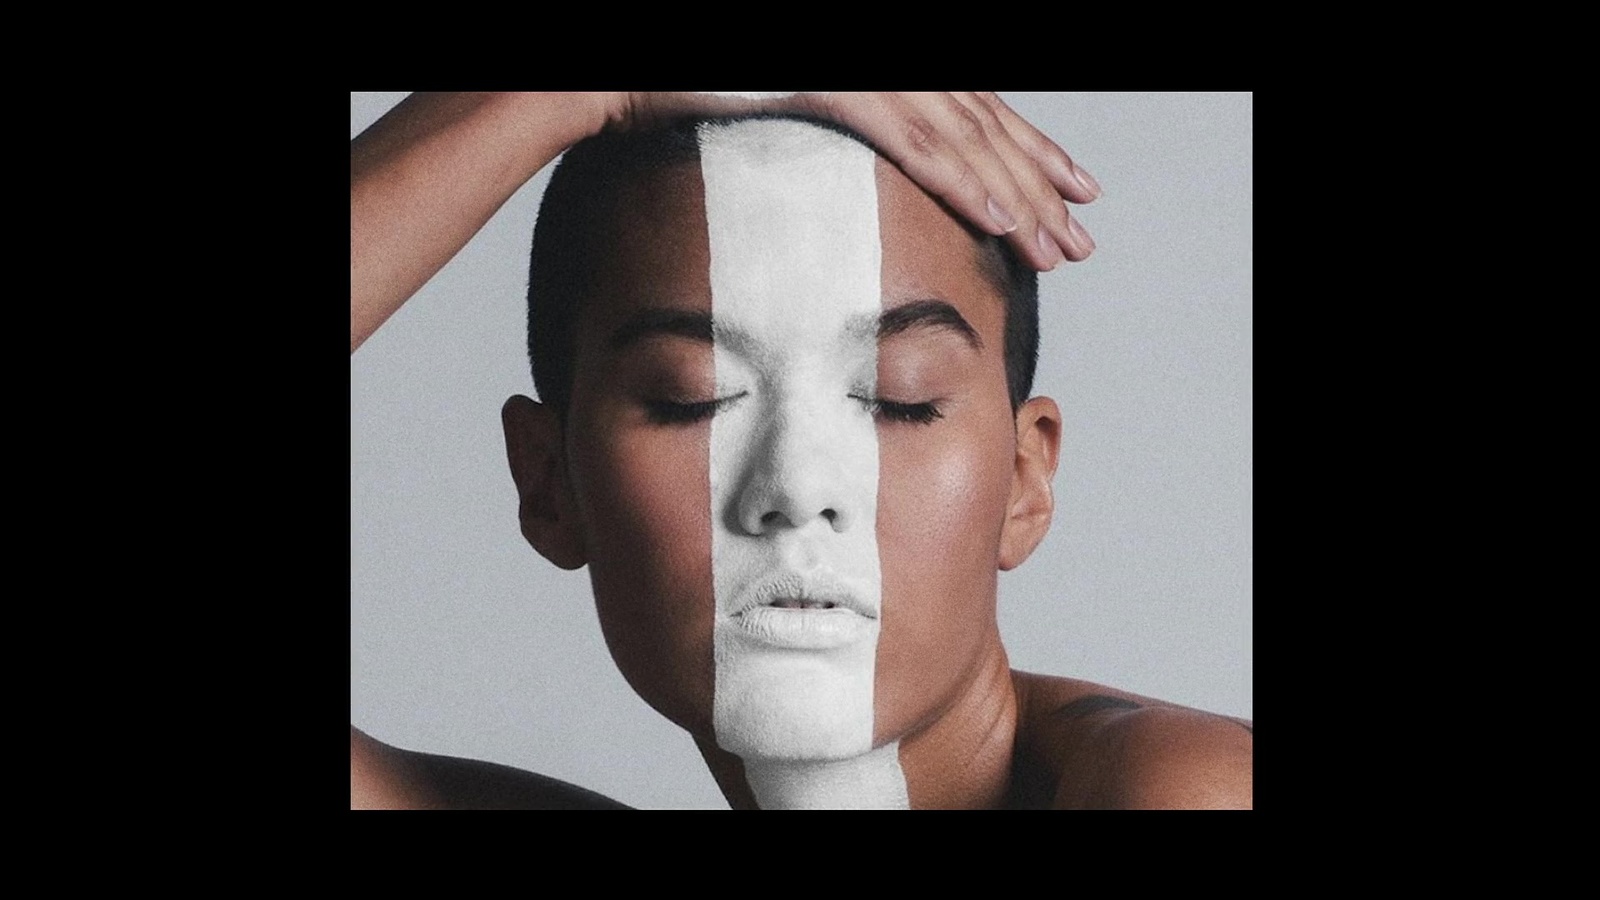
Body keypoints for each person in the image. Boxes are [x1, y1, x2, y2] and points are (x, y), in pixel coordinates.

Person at [351, 92, 1252, 809]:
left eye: (900, 401)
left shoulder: (1182, 787)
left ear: (1025, 481)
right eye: (689, 399)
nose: (797, 485)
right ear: (550, 483)